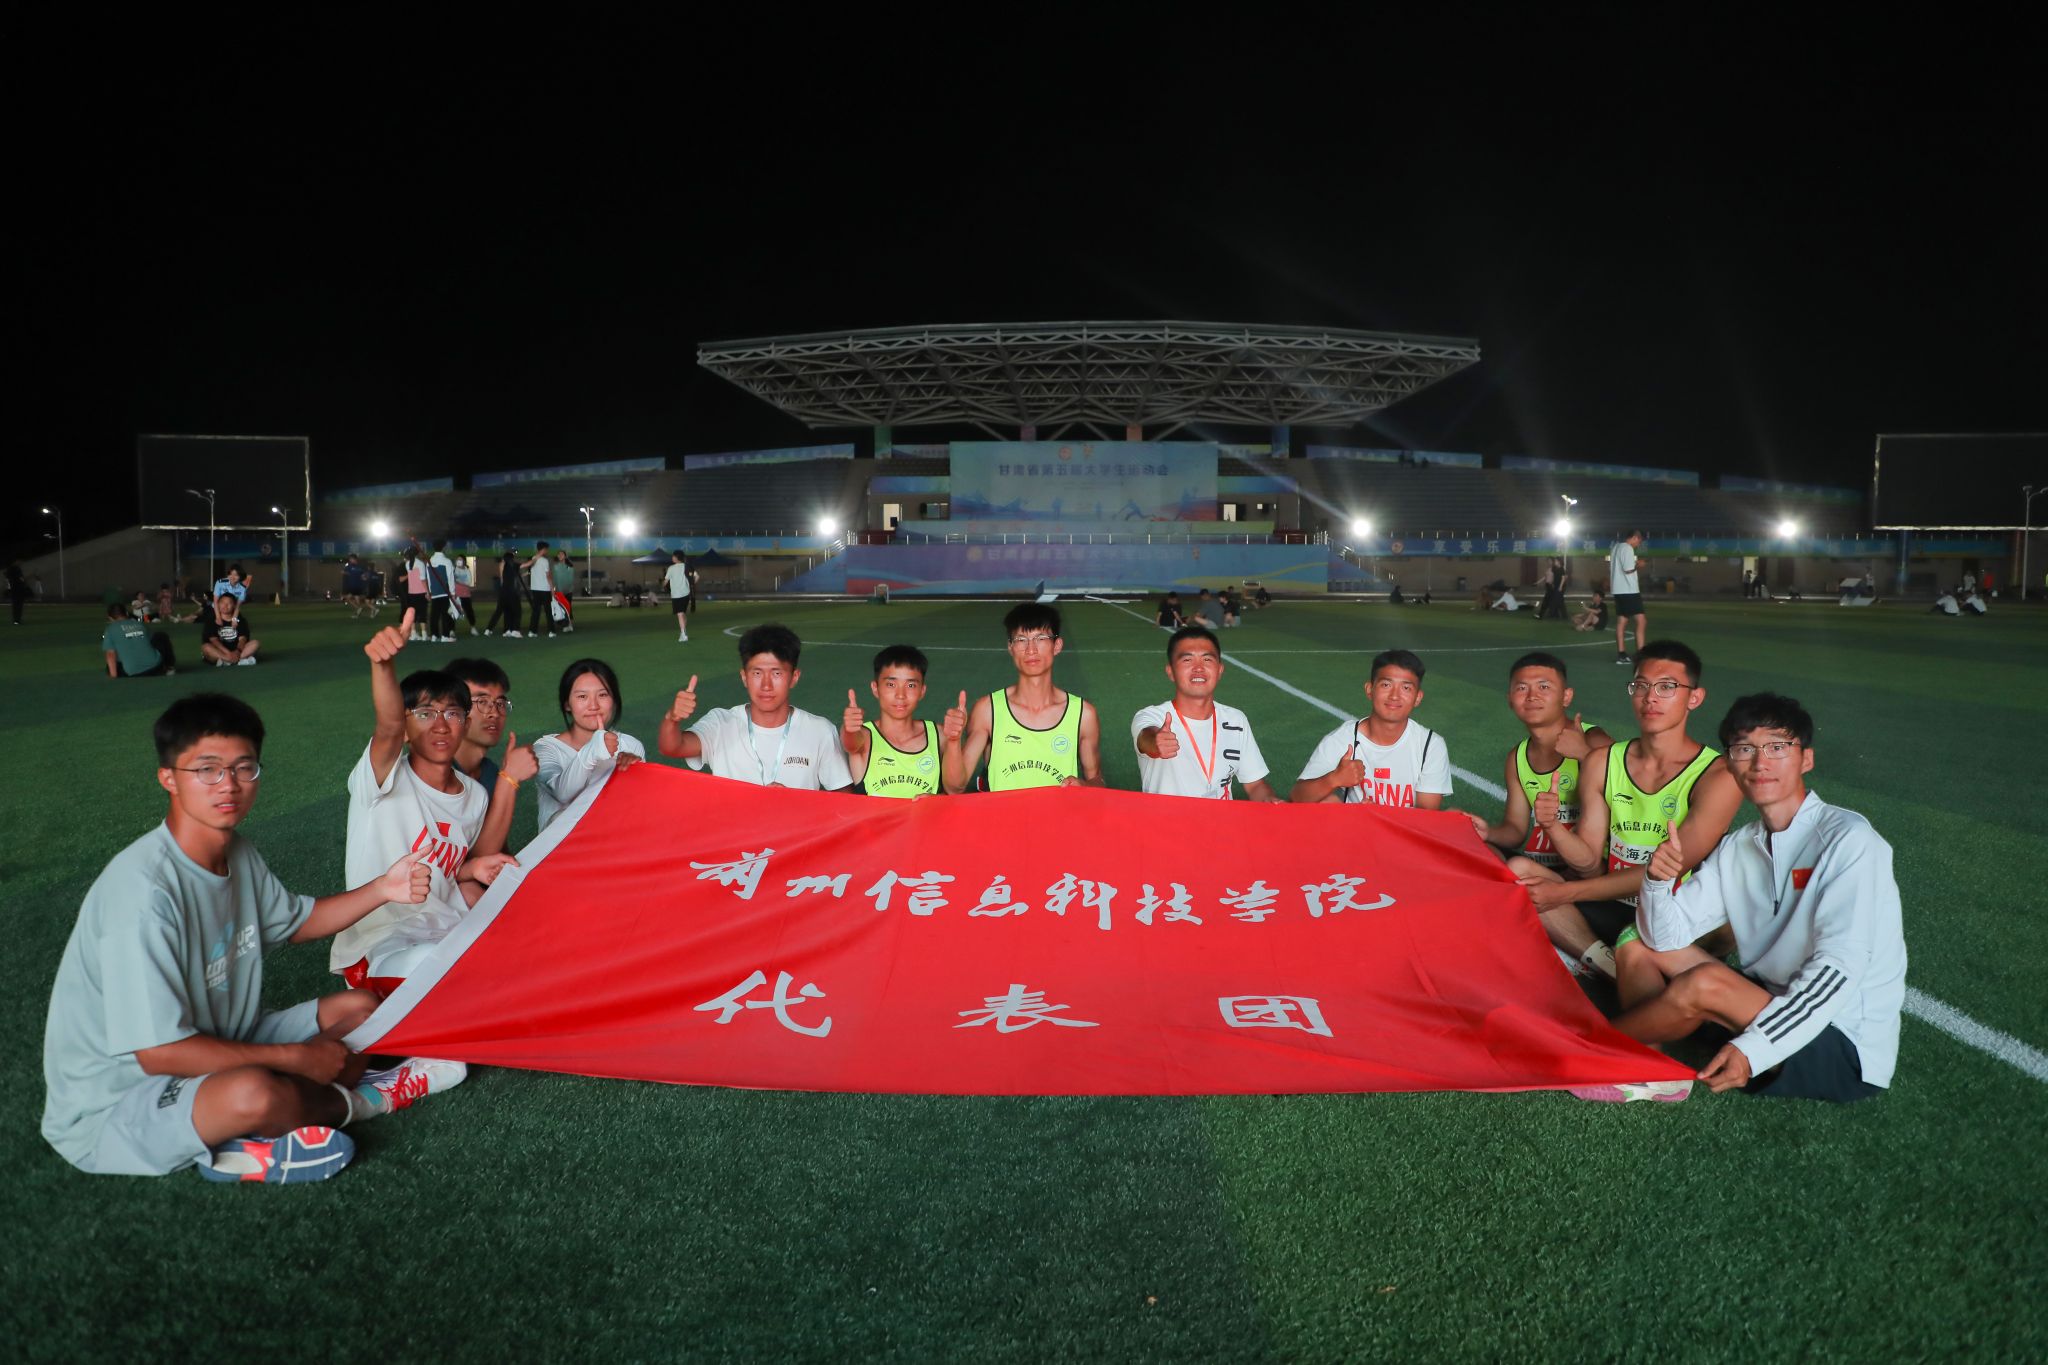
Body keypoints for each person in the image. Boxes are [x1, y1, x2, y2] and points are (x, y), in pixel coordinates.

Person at [40, 693, 463, 1182]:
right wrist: (294, 1058)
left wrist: (384, 889)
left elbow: (296, 922)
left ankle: (249, 1137)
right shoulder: (141, 894)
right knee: (254, 1092)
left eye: (244, 768)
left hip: (223, 1042)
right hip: (122, 1099)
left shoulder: (237, 852)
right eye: (207, 770)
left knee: (360, 1010)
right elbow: (158, 1053)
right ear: (168, 778)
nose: (229, 784)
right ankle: (371, 1098)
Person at [1588, 693, 1906, 1105]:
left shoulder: (1849, 840)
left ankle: (1586, 1049)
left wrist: (1756, 1048)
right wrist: (1656, 882)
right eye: (1744, 749)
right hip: (1768, 999)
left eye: (1777, 747)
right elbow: (1662, 938)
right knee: (1635, 943)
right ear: (1730, 764)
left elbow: (1839, 967)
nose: (1759, 763)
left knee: (1705, 983)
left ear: (1806, 759)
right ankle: (1652, 1067)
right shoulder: (1740, 846)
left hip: (1844, 1042)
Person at [1516, 640, 1744, 985]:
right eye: (1641, 686)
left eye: (1667, 687)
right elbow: (1588, 861)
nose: (1650, 697)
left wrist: (1565, 894)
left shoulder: (1718, 776)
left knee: (1731, 913)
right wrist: (1553, 827)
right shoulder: (1602, 761)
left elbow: (1666, 873)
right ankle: (1609, 966)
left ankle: (1639, 961)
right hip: (1613, 902)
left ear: (1694, 698)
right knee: (1519, 874)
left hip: (1674, 914)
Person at [331, 610, 517, 997]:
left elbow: (445, 867)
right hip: (384, 945)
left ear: (466, 723)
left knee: (515, 943)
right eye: (425, 714)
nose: (440, 725)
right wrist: (383, 664)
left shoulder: (475, 796)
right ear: (406, 726)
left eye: (452, 713)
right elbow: (386, 726)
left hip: (446, 926)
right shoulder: (381, 780)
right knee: (455, 974)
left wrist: (474, 867)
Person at [1468, 653, 1615, 975]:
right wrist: (1487, 832)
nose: (1532, 695)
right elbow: (1515, 829)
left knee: (1518, 870)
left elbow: (1631, 796)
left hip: (1593, 878)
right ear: (1510, 698)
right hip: (1548, 870)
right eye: (1522, 688)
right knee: (1479, 852)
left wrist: (1586, 755)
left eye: (1544, 686)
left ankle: (1601, 962)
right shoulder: (1517, 758)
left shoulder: (1594, 739)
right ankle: (1554, 938)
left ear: (1566, 696)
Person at [659, 623, 854, 790]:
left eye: (776, 673)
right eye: (757, 673)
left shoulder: (819, 731)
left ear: (794, 677)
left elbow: (843, 797)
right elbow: (672, 747)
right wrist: (672, 718)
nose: (766, 685)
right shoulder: (721, 724)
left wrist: (796, 802)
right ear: (744, 677)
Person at [943, 603, 1105, 792]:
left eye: (1041, 638)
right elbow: (954, 787)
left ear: (1057, 645)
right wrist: (953, 741)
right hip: (1002, 812)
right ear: (1010, 647)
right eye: (1021, 640)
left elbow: (1097, 782)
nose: (1031, 650)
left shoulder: (1083, 714)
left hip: (1056, 813)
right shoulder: (988, 710)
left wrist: (1084, 785)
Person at [1132, 625, 1281, 800]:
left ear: (1220, 670)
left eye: (1207, 659)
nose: (1198, 668)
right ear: (1170, 672)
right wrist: (1156, 742)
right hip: (1166, 818)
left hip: (1220, 818)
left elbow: (1255, 785)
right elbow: (1145, 737)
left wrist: (1269, 800)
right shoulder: (1153, 716)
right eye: (1187, 660)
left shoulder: (1236, 720)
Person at [1291, 649, 1452, 810]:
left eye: (1406, 688)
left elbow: (1427, 814)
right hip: (1353, 823)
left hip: (1398, 826)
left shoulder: (1430, 745)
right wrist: (1333, 779)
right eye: (1386, 685)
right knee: (1327, 802)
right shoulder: (1343, 738)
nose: (1394, 696)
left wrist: (1378, 814)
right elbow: (1297, 797)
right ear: (1370, 689)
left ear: (1417, 698)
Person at [532, 658, 644, 832]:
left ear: (614, 700)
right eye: (582, 696)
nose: (594, 705)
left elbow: (635, 809)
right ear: (567, 704)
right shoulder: (545, 749)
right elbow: (562, 793)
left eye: (603, 695)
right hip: (563, 847)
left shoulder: (630, 746)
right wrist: (592, 750)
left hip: (616, 842)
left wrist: (635, 773)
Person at [444, 656, 534, 858]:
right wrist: (510, 778)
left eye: (500, 703)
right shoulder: (433, 775)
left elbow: (499, 851)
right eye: (482, 702)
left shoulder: (489, 772)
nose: (494, 712)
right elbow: (477, 860)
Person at [840, 645, 949, 798]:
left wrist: (938, 801)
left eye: (910, 685)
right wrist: (849, 728)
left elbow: (956, 792)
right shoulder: (865, 737)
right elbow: (850, 743)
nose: (900, 695)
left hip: (928, 816)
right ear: (875, 688)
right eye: (891, 684)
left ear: (922, 691)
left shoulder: (940, 736)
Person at [103, 603, 177, 677]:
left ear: (110, 618)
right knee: (161, 636)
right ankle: (169, 667)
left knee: (110, 665)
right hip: (155, 668)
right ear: (126, 613)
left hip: (133, 672)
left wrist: (113, 675)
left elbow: (110, 654)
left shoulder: (110, 629)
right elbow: (150, 641)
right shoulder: (139, 624)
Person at [1609, 529, 1647, 663]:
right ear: (1635, 537)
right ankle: (1641, 654)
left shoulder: (1615, 548)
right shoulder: (1627, 548)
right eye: (1639, 541)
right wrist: (1639, 565)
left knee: (1622, 622)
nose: (1638, 544)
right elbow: (1628, 569)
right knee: (1641, 621)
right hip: (1629, 590)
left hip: (1618, 590)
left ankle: (1621, 654)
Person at [200, 592, 260, 667]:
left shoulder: (240, 621)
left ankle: (227, 661)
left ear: (234, 605)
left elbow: (242, 639)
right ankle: (235, 660)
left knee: (255, 643)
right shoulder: (211, 621)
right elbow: (214, 640)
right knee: (206, 647)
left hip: (237, 650)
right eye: (222, 603)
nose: (225, 606)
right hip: (220, 651)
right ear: (218, 604)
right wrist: (228, 653)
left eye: (229, 603)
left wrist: (238, 651)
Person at [486, 545, 524, 637]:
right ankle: (493, 629)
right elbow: (505, 577)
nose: (514, 555)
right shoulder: (505, 564)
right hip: (507, 590)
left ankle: (506, 630)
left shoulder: (509, 564)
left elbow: (512, 576)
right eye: (513, 553)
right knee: (504, 610)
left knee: (506, 610)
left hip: (505, 590)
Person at [427, 540, 457, 642]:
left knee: (434, 614)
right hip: (444, 591)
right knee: (445, 614)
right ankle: (445, 636)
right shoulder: (447, 561)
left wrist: (430, 590)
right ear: (443, 548)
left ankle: (434, 635)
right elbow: (450, 577)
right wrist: (453, 592)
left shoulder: (430, 561)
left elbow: (429, 578)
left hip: (435, 592)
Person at [524, 542, 555, 638]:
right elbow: (548, 576)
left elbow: (530, 572)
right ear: (543, 549)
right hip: (544, 589)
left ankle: (532, 631)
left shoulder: (533, 559)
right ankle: (551, 631)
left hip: (535, 589)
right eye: (547, 549)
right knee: (548, 611)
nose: (547, 551)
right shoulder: (544, 561)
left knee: (535, 611)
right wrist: (552, 588)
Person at [664, 550, 693, 643]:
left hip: (676, 594)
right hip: (686, 593)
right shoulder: (687, 566)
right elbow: (696, 577)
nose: (672, 558)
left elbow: (666, 581)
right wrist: (691, 584)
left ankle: (683, 634)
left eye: (673, 556)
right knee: (682, 614)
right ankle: (683, 631)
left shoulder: (671, 568)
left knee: (680, 614)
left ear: (676, 557)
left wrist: (663, 585)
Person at [401, 546, 429, 641]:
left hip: (411, 592)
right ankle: (424, 634)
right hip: (421, 592)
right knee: (422, 613)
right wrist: (427, 592)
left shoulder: (407, 564)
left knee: (413, 613)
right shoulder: (420, 564)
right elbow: (423, 580)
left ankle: (413, 634)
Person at [552, 551, 576, 633]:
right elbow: (554, 579)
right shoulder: (555, 567)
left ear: (565, 556)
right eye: (558, 554)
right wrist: (554, 590)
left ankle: (569, 625)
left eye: (561, 554)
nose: (559, 555)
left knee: (568, 607)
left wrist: (568, 589)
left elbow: (570, 579)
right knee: (559, 608)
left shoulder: (569, 567)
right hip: (559, 591)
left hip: (568, 591)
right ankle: (562, 623)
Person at [7, 561, 27, 625]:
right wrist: (24, 581)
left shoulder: (10, 570)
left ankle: (15, 620)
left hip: (13, 590)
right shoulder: (17, 569)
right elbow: (21, 579)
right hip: (19, 590)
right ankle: (17, 620)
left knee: (15, 606)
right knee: (19, 606)